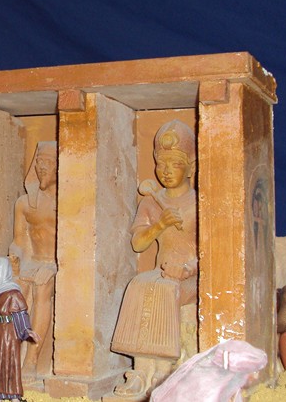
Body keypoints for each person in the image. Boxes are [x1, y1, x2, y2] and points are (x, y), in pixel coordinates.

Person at [111, 120, 198, 398]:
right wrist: (160, 224)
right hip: (163, 273)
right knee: (138, 285)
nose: (166, 171)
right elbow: (138, 243)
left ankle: (163, 371)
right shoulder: (151, 202)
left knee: (166, 291)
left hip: (192, 277)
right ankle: (141, 372)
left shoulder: (200, 203)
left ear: (191, 167)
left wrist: (188, 269)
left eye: (175, 164)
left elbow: (209, 251)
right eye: (161, 164)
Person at [8, 141, 57, 376]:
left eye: (48, 162)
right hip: (32, 260)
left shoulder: (65, 203)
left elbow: (72, 246)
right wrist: (15, 259)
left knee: (42, 288)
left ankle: (32, 358)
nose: (42, 167)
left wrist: (54, 266)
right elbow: (19, 241)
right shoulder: (25, 203)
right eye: (39, 162)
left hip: (53, 264)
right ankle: (11, 354)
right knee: (14, 290)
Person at [0, 257, 40, 401]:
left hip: (9, 336)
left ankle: (13, 395)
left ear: (0, 271)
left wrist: (27, 330)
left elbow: (21, 315)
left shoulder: (13, 294)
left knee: (9, 363)